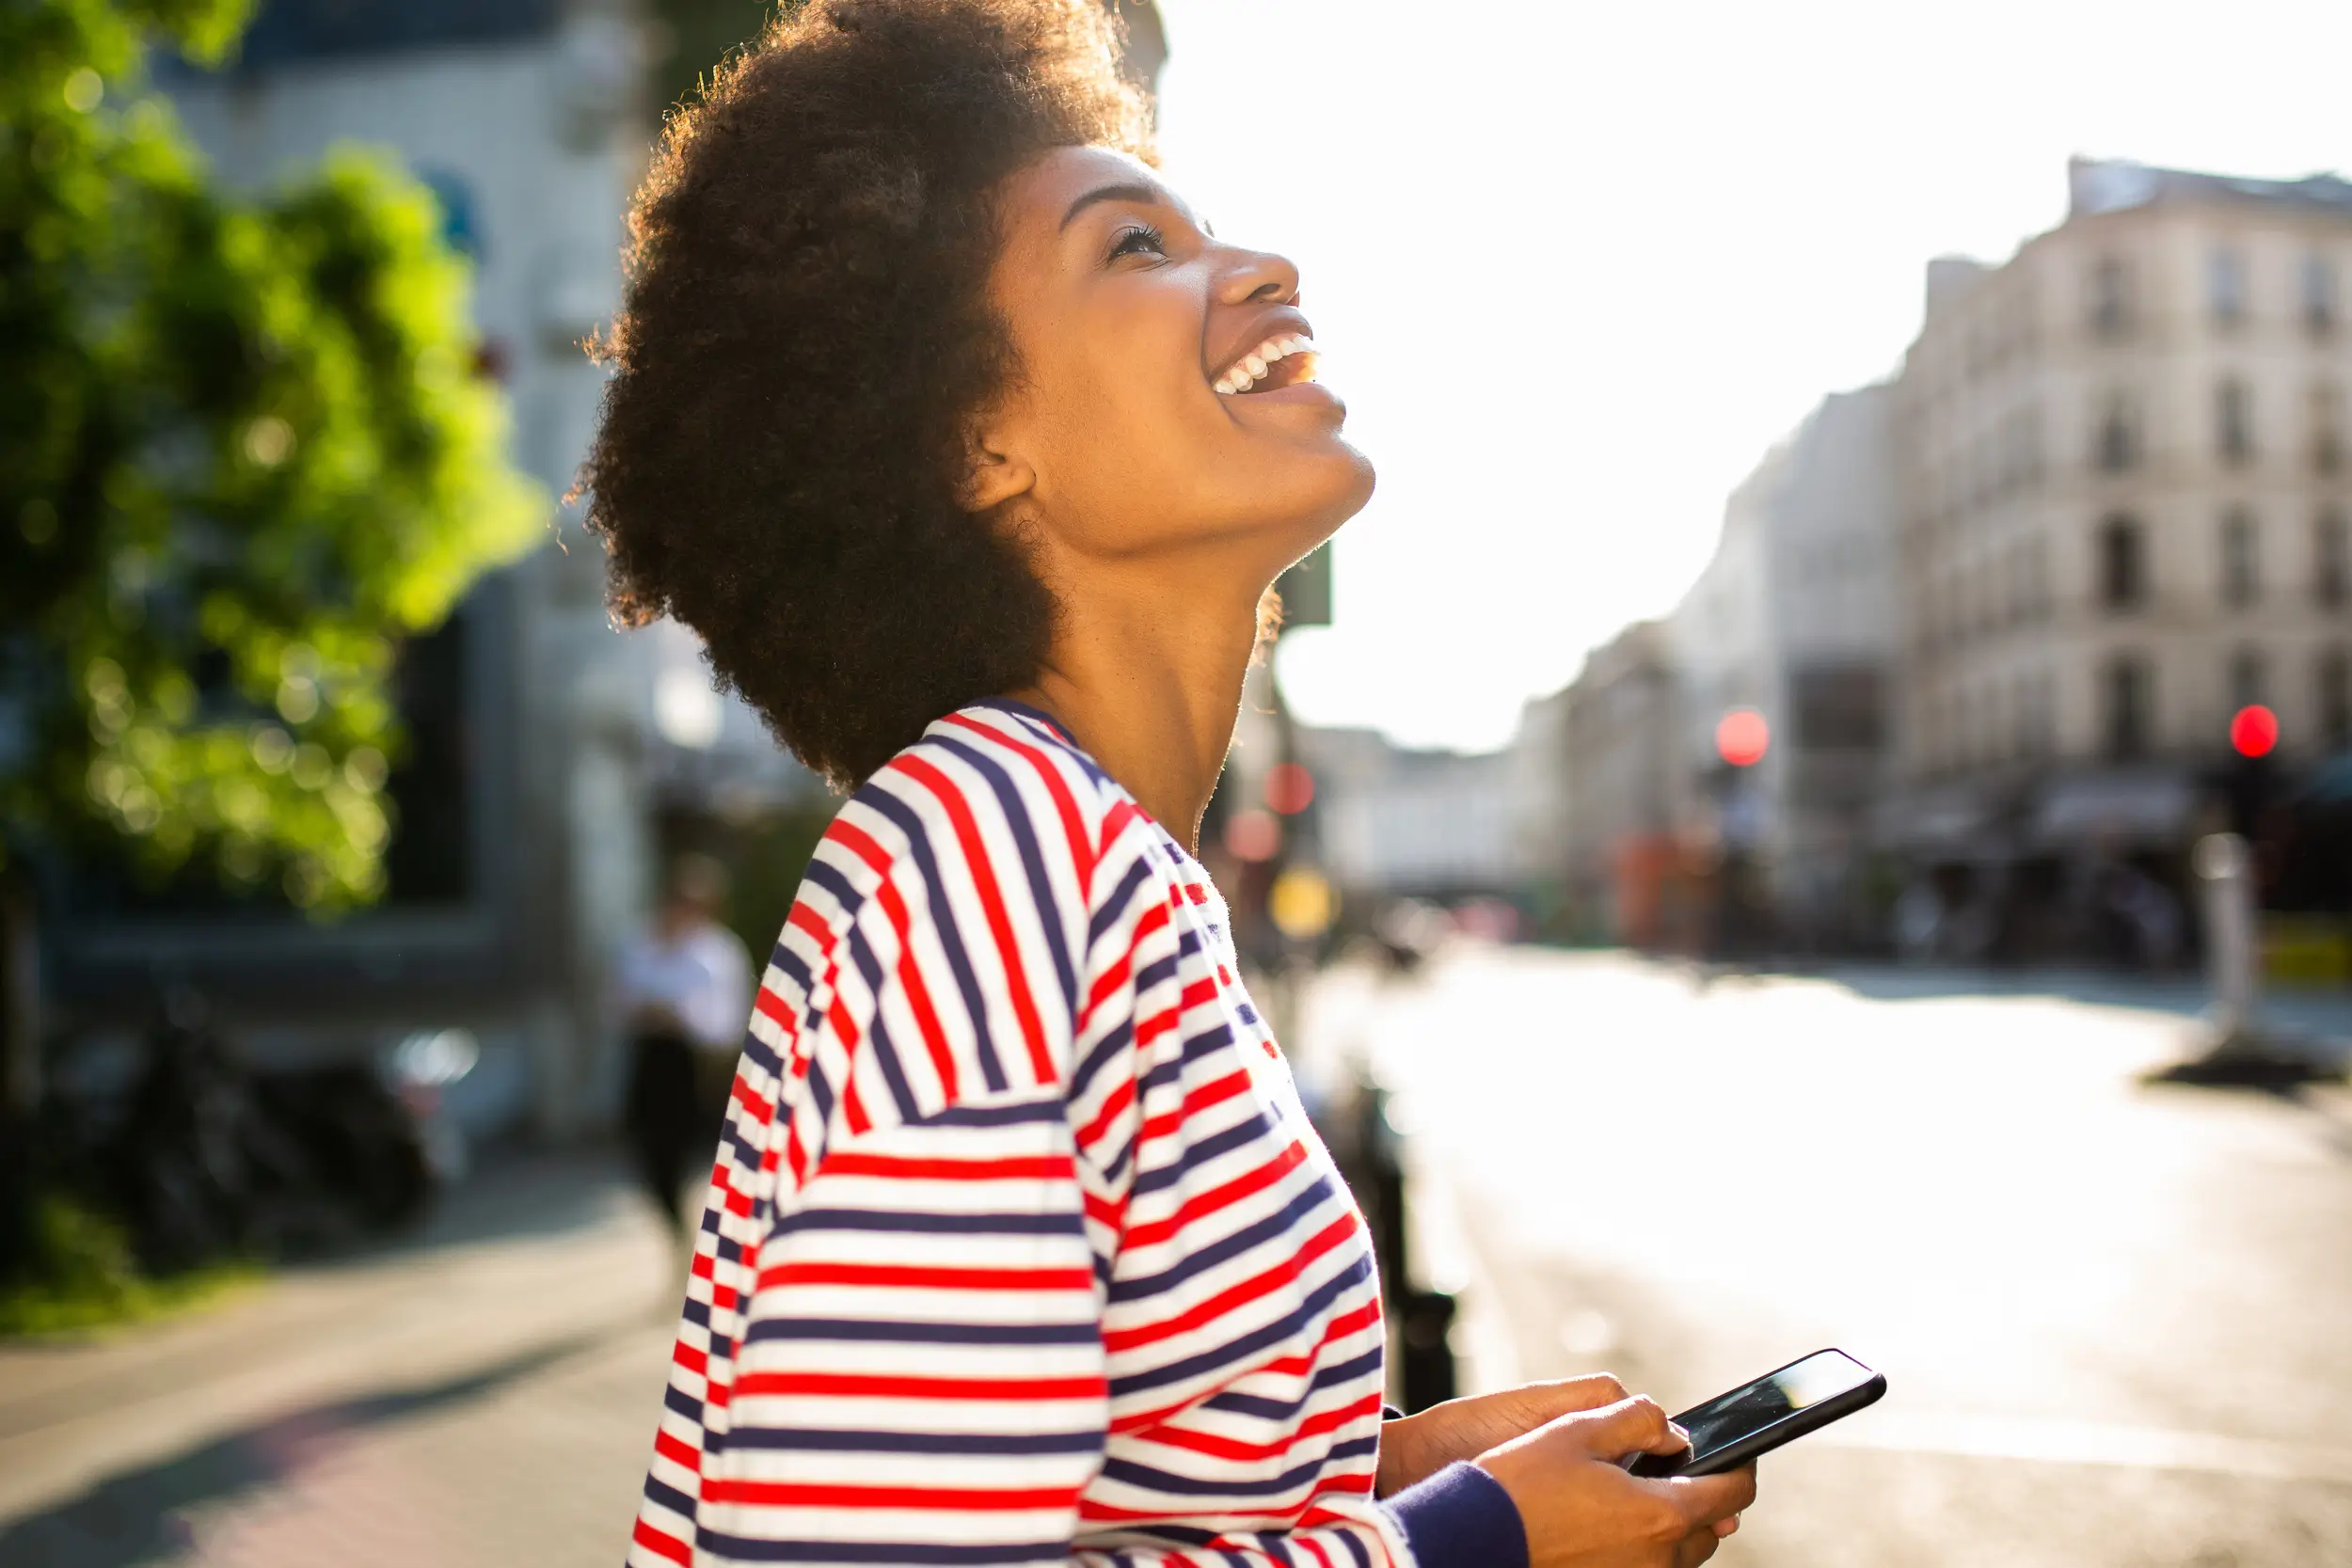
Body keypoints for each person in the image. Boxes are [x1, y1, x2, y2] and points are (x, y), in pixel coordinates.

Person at [582, 3, 1756, 1564]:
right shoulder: (984, 866)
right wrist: (1460, 1543)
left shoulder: (1095, 866)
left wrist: (1389, 1470)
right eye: (1134, 248)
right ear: (980, 437)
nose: (1261, 271)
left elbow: (1090, 1498)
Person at [616, 854, 754, 1234]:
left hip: (695, 1067)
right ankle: (676, 1229)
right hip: (650, 1060)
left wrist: (680, 1017)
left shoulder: (719, 955)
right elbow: (619, 1002)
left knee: (696, 1160)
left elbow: (727, 1025)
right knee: (652, 1157)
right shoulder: (640, 944)